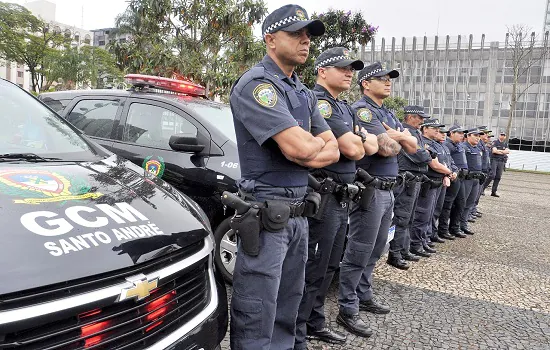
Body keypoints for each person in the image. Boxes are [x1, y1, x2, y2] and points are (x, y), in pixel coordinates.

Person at [228, 5, 340, 349]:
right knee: (257, 308)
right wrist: (308, 147)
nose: (306, 40)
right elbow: (300, 149)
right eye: (296, 34)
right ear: (271, 39)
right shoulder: (258, 85)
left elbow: (332, 149)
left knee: (287, 305)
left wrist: (308, 147)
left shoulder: (302, 92)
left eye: (308, 35)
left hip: (298, 213)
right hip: (267, 216)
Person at [295, 47, 377, 349]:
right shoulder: (321, 104)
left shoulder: (342, 107)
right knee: (313, 268)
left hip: (343, 198)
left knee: (329, 267)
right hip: (324, 197)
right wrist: (360, 138)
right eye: (342, 68)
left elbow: (362, 148)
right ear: (322, 71)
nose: (349, 73)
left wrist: (360, 138)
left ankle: (314, 323)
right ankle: (297, 333)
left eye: (352, 69)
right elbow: (356, 150)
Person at [338, 62, 416, 338]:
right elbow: (386, 149)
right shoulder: (362, 110)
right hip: (370, 190)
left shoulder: (386, 113)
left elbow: (413, 146)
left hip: (389, 190)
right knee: (359, 249)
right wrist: (399, 137)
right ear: (365, 83)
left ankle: (363, 295)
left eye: (389, 78)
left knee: (376, 249)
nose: (388, 82)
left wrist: (396, 136)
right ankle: (347, 308)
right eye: (381, 78)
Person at [390, 106, 433, 261]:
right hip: (407, 180)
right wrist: (426, 155)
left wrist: (426, 154)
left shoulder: (415, 133)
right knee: (402, 218)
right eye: (420, 118)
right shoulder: (404, 132)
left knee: (410, 218)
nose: (422, 121)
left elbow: (425, 152)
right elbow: (419, 155)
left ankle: (404, 250)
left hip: (415, 180)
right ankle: (395, 253)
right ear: (410, 117)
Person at [410, 118, 454, 250]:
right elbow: (434, 164)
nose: (437, 130)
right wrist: (449, 172)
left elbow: (446, 161)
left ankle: (423, 240)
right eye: (434, 128)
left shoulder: (436, 144)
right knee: (422, 215)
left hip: (437, 182)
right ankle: (416, 244)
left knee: (430, 215)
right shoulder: (425, 143)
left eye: (438, 128)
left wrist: (448, 173)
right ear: (425, 128)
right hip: (427, 183)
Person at [438, 125, 468, 239]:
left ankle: (455, 228)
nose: (462, 135)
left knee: (460, 204)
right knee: (448, 204)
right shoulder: (447, 145)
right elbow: (446, 162)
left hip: (459, 176)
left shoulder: (458, 145)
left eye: (462, 133)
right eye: (459, 133)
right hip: (451, 178)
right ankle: (443, 230)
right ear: (451, 133)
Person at [430, 125, 458, 243]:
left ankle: (432, 234)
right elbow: (435, 165)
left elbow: (451, 162)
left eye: (444, 133)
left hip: (444, 181)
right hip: (435, 181)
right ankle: (428, 236)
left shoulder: (444, 147)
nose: (442, 134)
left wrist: (455, 171)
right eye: (440, 132)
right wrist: (449, 172)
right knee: (430, 211)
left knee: (437, 209)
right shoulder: (432, 145)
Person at [460, 128, 483, 236]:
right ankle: (457, 225)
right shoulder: (464, 147)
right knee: (462, 203)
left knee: (470, 203)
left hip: (476, 179)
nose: (478, 138)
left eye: (479, 136)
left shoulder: (477, 148)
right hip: (467, 179)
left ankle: (464, 224)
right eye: (475, 135)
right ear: (468, 136)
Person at [490, 132, 510, 197]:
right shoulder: (495, 142)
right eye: (501, 135)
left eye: (504, 135)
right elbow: (494, 151)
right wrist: (503, 152)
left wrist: (499, 151)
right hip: (494, 160)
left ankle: (493, 191)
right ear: (499, 136)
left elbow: (507, 151)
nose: (502, 136)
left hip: (501, 161)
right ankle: (482, 189)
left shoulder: (505, 143)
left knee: (498, 177)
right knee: (492, 175)